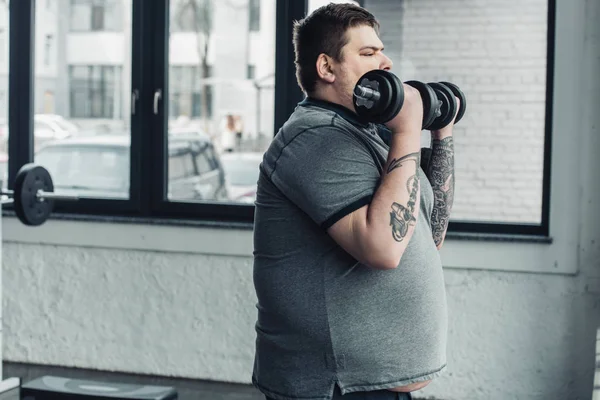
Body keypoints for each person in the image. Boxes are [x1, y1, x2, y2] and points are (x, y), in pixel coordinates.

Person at [251, 3, 457, 400]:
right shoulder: (314, 139)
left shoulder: (367, 134)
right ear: (327, 68)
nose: (386, 61)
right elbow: (382, 247)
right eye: (368, 54)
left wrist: (441, 132)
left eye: (381, 50)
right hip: (335, 390)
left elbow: (430, 234)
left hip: (371, 388)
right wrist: (407, 130)